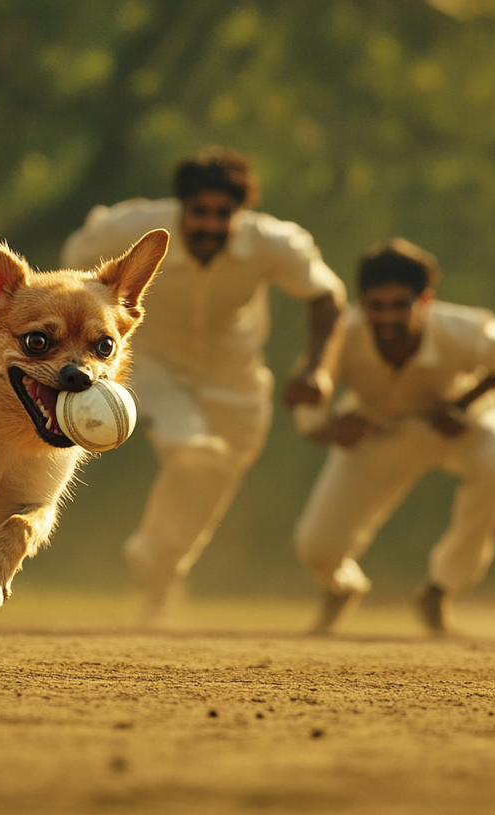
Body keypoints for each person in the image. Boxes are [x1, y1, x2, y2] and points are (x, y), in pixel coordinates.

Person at [61, 147, 345, 621]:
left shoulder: (276, 242)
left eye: (224, 214)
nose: (210, 225)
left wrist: (317, 368)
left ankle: (158, 570)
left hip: (236, 379)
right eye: (199, 213)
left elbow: (327, 295)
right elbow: (74, 268)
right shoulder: (129, 230)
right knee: (190, 448)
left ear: (242, 213)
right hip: (154, 371)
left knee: (212, 480)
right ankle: (155, 566)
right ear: (181, 209)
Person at [292, 239, 495, 635]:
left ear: (426, 302)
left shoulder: (462, 329)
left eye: (401, 305)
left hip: (456, 428)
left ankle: (440, 590)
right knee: (317, 550)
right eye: (375, 306)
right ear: (361, 303)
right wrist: (334, 430)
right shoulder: (341, 335)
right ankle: (342, 588)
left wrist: (462, 404)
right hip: (379, 433)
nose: (387, 318)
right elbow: (308, 409)